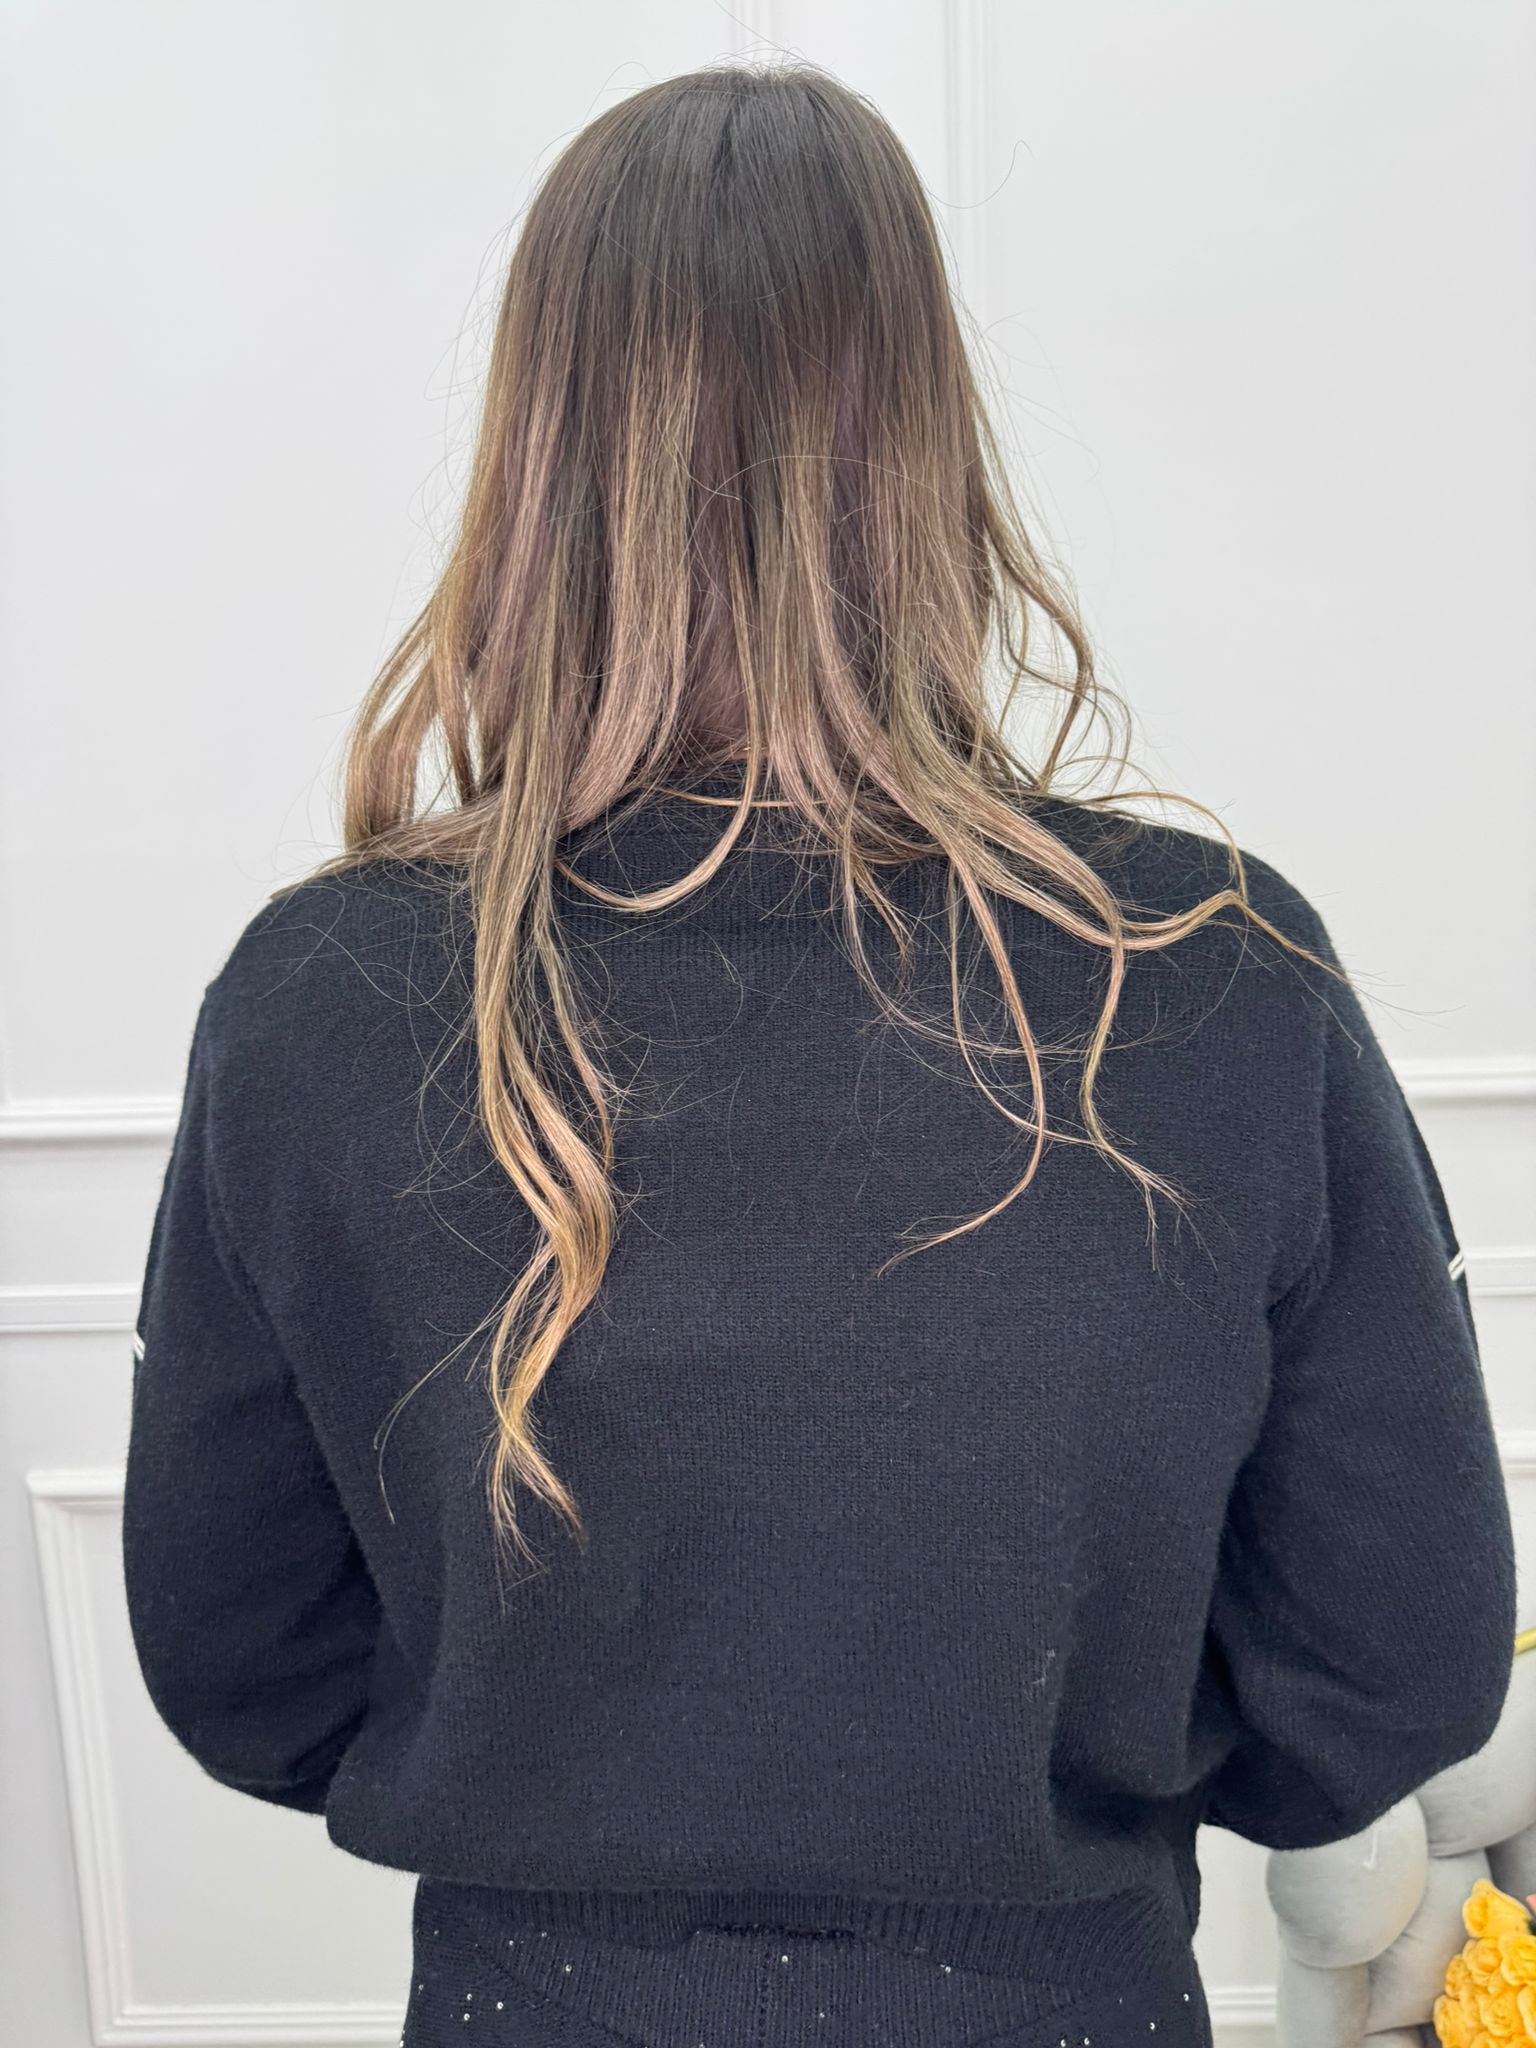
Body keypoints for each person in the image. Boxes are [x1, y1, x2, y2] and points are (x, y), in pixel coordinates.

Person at [121, 60, 1516, 2048]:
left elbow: (245, 1661)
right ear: (930, 444)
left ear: (538, 451)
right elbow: (1392, 1660)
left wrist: (570, 1793)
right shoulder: (1214, 973)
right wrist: (1085, 1777)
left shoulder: (319, 995)